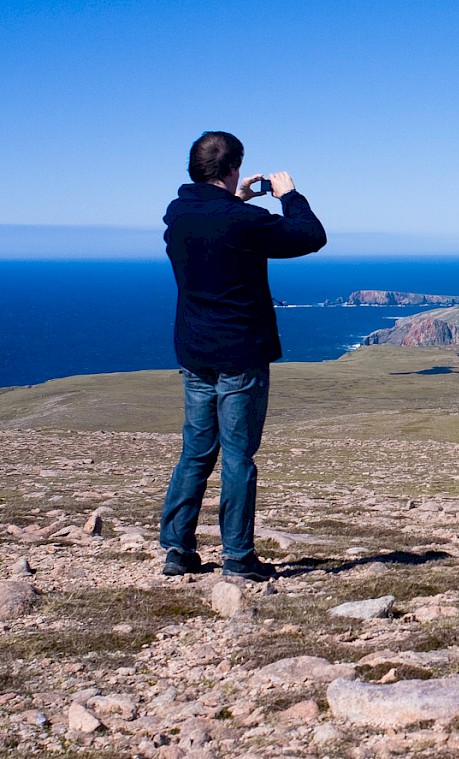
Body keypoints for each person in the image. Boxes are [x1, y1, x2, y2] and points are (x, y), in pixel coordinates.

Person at [158, 131, 327, 581]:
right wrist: (289, 195)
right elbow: (310, 236)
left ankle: (177, 549)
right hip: (240, 354)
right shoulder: (243, 220)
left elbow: (212, 216)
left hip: (194, 351)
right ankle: (237, 556)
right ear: (233, 166)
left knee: (196, 451)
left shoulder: (179, 213)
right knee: (237, 455)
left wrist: (237, 196)